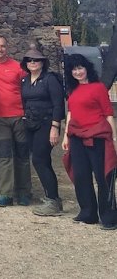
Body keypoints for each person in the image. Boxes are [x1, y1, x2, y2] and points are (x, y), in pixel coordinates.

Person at [62, 54, 117, 229]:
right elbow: (71, 113)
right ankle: (88, 212)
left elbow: (108, 113)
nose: (78, 72)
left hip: (97, 136)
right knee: (81, 175)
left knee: (103, 177)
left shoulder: (98, 87)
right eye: (74, 69)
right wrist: (66, 135)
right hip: (76, 137)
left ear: (87, 68)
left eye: (80, 68)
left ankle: (108, 217)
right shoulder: (72, 90)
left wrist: (114, 139)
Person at [0, 35, 31, 208]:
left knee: (22, 155)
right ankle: (6, 194)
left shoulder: (18, 67)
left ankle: (24, 192)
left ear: (7, 47)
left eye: (2, 46)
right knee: (4, 156)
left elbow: (28, 87)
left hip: (19, 116)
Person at [20, 46, 65, 216]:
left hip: (47, 124)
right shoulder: (25, 81)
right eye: (29, 60)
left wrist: (55, 127)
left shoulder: (50, 79)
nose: (33, 63)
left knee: (40, 160)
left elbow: (58, 104)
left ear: (42, 62)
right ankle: (53, 199)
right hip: (31, 124)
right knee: (41, 161)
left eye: (36, 60)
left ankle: (52, 200)